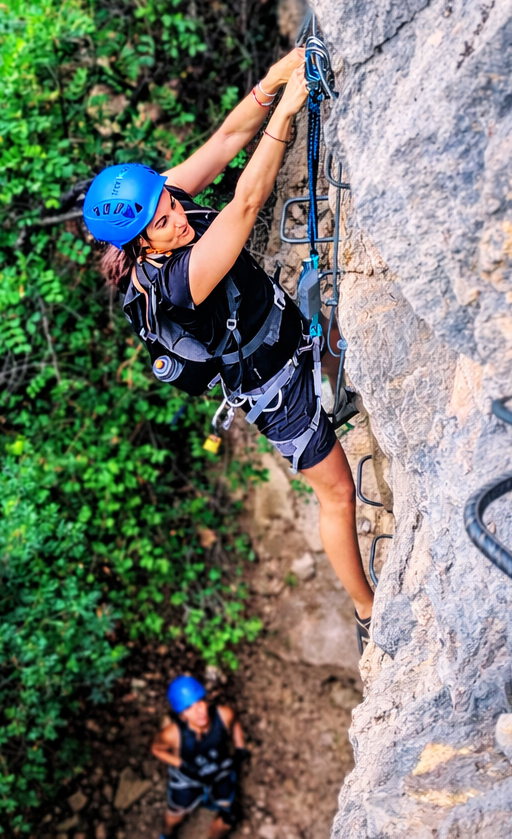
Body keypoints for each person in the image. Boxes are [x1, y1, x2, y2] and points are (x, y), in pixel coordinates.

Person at [82, 48, 375, 650]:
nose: (178, 217)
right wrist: (286, 112)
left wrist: (273, 79)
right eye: (163, 222)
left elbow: (223, 141)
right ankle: (369, 614)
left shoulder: (157, 208)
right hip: (274, 393)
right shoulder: (173, 284)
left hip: (288, 332)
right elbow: (243, 204)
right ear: (141, 247)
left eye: (169, 202)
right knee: (338, 492)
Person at [150, 675, 246, 839]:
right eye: (189, 708)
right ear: (182, 715)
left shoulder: (223, 715)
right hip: (188, 778)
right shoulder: (173, 735)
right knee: (176, 813)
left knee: (228, 813)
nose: (199, 711)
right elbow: (156, 749)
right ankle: (167, 835)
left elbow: (235, 721)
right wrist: (181, 764)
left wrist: (240, 747)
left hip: (219, 770)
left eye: (200, 702)